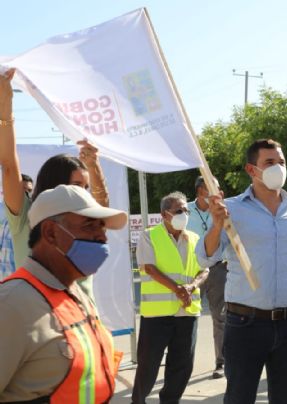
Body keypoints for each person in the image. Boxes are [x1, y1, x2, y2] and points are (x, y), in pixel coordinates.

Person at [198, 139, 287, 404]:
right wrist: (216, 226)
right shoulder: (231, 210)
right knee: (239, 397)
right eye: (270, 163)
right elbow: (206, 257)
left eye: (281, 162)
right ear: (252, 170)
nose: (278, 168)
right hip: (244, 325)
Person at [0, 184, 127, 402]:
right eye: (89, 226)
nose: (102, 238)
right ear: (50, 233)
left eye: (102, 227)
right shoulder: (12, 303)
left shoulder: (74, 290)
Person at [0, 68, 109, 297]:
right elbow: (9, 165)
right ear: (56, 184)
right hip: (37, 327)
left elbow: (103, 204)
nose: (85, 193)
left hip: (81, 324)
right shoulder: (26, 217)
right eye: (77, 186)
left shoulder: (88, 222)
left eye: (86, 187)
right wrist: (5, 103)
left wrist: (94, 166)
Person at [132, 191, 209, 404]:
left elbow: (205, 270)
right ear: (164, 214)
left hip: (187, 312)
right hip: (157, 315)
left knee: (182, 366)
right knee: (148, 366)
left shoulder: (194, 239)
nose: (184, 214)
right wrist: (178, 289)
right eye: (179, 211)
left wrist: (191, 286)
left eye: (186, 210)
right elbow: (149, 268)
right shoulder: (149, 236)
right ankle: (137, 401)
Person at [188, 175, 227, 379]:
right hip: (191, 271)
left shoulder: (222, 210)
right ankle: (182, 364)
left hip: (217, 268)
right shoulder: (184, 210)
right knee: (186, 317)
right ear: (200, 190)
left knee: (220, 317)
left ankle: (221, 362)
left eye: (217, 187)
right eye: (213, 187)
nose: (217, 191)